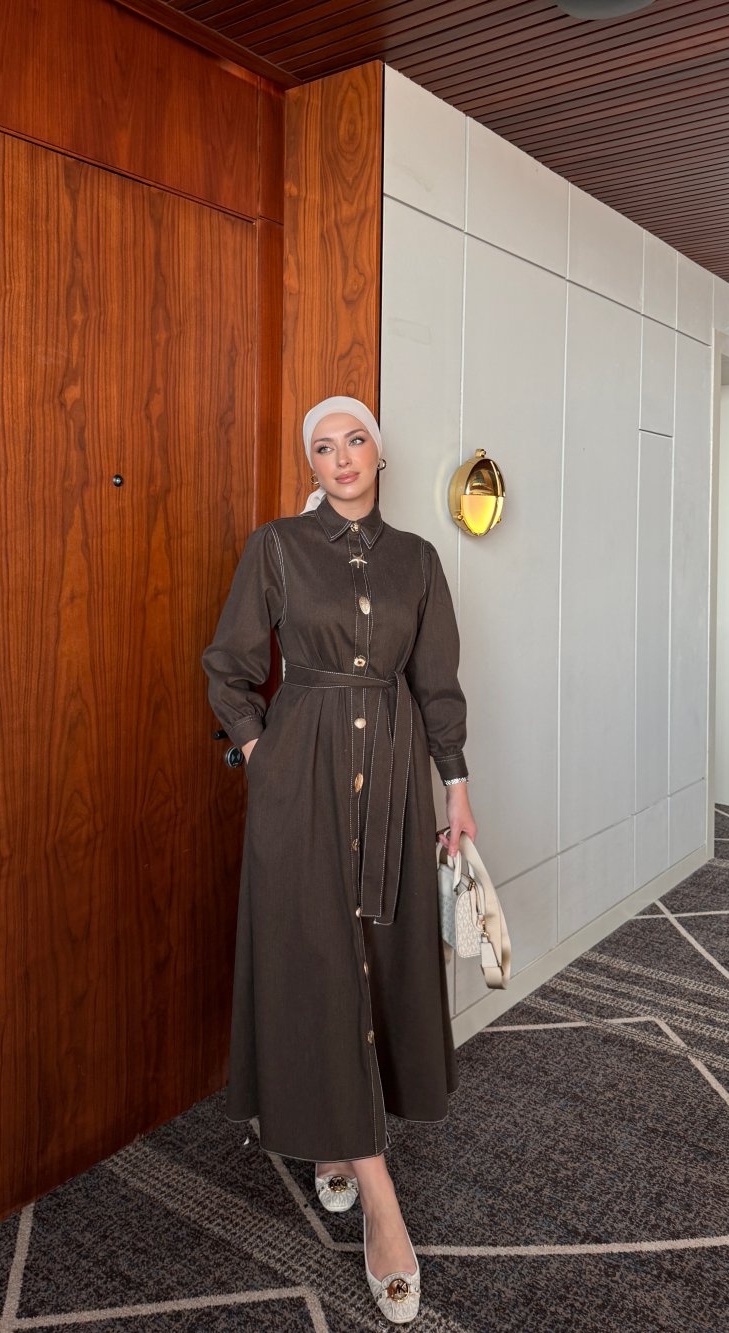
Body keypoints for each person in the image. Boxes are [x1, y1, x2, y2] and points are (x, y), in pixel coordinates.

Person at [202, 396, 476, 1324]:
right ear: (311, 466)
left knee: (376, 953)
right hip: (302, 778)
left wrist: (456, 788)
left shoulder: (419, 560)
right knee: (317, 958)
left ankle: (332, 1138)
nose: (342, 457)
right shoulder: (276, 546)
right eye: (322, 447)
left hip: (392, 774)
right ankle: (383, 1208)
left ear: (378, 452)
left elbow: (436, 683)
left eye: (354, 439)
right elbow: (229, 664)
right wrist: (262, 752)